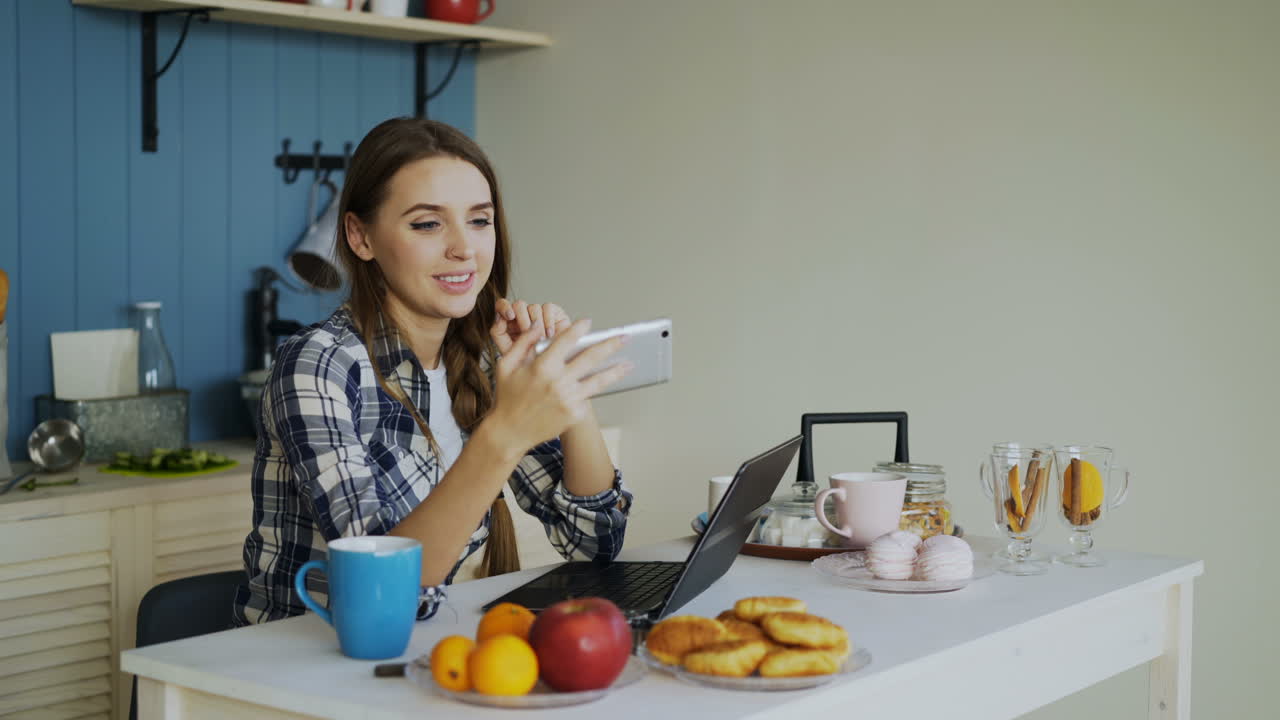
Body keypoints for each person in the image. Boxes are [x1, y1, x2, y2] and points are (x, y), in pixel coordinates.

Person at [234, 117, 634, 625]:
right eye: (427, 224)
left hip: (439, 649)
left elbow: (593, 545)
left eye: (479, 220)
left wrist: (566, 382)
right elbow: (380, 591)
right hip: (306, 669)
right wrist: (503, 436)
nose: (463, 248)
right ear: (360, 236)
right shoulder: (319, 365)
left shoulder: (488, 357)